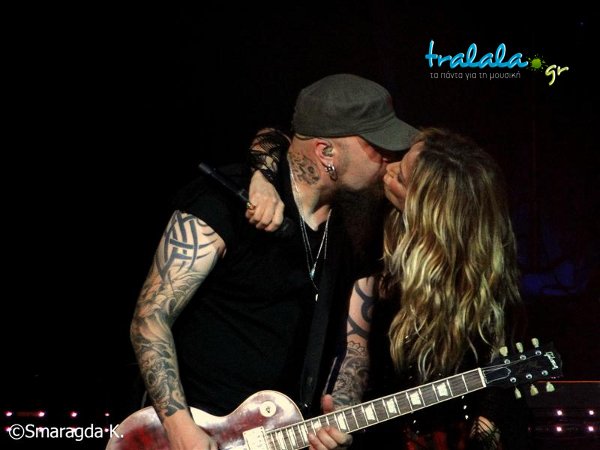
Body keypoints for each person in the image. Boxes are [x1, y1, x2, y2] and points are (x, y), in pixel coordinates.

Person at [129, 73, 418, 450]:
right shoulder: (225, 202)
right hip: (192, 432)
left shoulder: (354, 228)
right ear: (327, 153)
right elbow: (150, 319)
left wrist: (342, 411)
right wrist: (181, 429)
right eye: (378, 146)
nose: (391, 157)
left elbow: (355, 345)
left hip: (282, 435)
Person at [248, 128, 530, 449]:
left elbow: (498, 370)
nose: (389, 169)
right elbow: (275, 138)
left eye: (402, 176)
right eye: (400, 159)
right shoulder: (373, 231)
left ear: (430, 209)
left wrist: (486, 429)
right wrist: (262, 179)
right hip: (382, 430)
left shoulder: (487, 275)